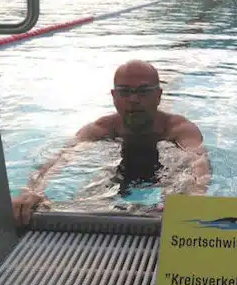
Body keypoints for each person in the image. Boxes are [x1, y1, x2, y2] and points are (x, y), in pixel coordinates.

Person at [12, 60, 212, 226]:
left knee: (178, 184)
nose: (134, 99)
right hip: (116, 169)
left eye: (143, 92)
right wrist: (32, 190)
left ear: (158, 96)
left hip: (166, 168)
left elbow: (197, 161)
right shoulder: (101, 128)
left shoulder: (178, 129)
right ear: (114, 97)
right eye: (125, 92)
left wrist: (196, 194)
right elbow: (60, 158)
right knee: (89, 197)